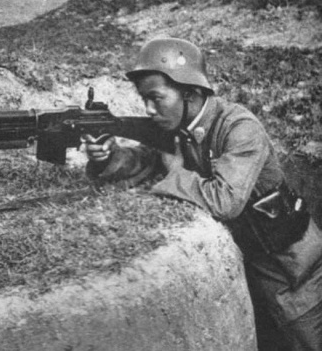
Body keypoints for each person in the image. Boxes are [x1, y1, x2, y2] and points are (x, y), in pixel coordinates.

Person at [84, 38, 322, 350]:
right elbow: (145, 162)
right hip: (249, 269)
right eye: (144, 99)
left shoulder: (239, 128)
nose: (148, 109)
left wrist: (172, 172)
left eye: (156, 98)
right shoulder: (180, 128)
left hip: (295, 274)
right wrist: (107, 158)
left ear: (190, 92)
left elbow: (225, 201)